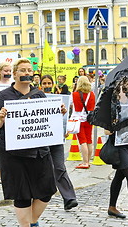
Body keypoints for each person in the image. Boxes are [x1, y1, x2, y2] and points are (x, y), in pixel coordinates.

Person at [0, 58, 58, 227]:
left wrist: (59, 112)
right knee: (22, 195)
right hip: (14, 154)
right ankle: (26, 225)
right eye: (23, 70)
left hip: (39, 151)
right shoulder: (4, 95)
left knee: (47, 191)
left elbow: (48, 121)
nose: (27, 73)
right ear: (15, 74)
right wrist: (1, 119)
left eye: (29, 70)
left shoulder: (39, 94)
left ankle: (32, 221)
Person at [41, 75, 78, 211]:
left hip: (56, 140)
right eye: (44, 83)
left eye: (49, 83)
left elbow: (63, 119)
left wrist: (64, 129)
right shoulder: (33, 98)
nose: (47, 85)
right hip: (40, 141)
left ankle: (69, 198)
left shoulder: (60, 99)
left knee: (59, 167)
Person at [72, 76, 95, 169]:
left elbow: (71, 105)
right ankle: (88, 161)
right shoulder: (92, 94)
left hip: (79, 120)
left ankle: (85, 162)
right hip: (89, 119)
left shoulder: (74, 94)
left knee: (82, 141)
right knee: (89, 140)